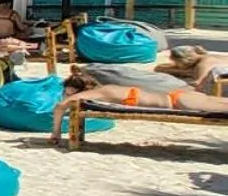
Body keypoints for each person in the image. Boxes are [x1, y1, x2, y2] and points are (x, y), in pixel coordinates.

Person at [50, 69, 228, 143]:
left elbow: (60, 106)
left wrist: (55, 133)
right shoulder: (106, 88)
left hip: (178, 102)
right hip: (182, 97)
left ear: (73, 89)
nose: (65, 93)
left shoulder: (92, 94)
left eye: (66, 90)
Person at [158, 44, 228, 91]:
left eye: (176, 62)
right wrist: (185, 72)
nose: (176, 65)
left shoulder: (203, 64)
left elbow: (198, 84)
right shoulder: (207, 57)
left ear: (183, 60)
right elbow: (159, 68)